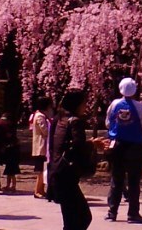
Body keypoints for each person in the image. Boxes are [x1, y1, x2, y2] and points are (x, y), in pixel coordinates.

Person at [49, 89, 107, 230]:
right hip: (67, 174)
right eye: (84, 103)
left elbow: (54, 145)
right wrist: (92, 144)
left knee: (71, 219)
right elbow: (77, 146)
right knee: (83, 217)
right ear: (77, 104)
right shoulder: (75, 122)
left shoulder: (59, 118)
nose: (85, 106)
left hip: (57, 171)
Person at [105, 77, 142, 224]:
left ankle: (112, 212)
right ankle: (133, 213)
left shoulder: (114, 104)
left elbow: (108, 123)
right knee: (133, 181)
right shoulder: (139, 107)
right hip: (134, 146)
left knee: (116, 179)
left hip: (117, 145)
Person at [32, 96, 53, 198]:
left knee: (42, 169)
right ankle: (37, 190)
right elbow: (44, 131)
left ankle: (41, 189)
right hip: (41, 146)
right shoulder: (40, 116)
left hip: (43, 146)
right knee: (40, 170)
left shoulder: (41, 115)